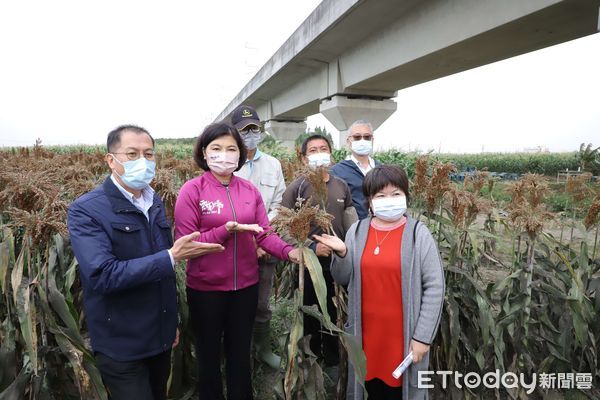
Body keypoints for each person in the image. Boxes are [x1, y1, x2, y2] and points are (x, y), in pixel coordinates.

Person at [67, 125, 224, 400]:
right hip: (121, 343)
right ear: (110, 160)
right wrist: (171, 257)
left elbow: (162, 274)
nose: (143, 161)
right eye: (132, 153)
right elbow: (103, 275)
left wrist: (170, 321)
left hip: (159, 337)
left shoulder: (154, 201)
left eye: (149, 154)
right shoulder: (86, 210)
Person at [173, 121, 301, 400]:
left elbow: (264, 235)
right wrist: (225, 231)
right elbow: (186, 244)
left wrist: (291, 253)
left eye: (231, 149)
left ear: (240, 155)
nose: (224, 154)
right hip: (206, 289)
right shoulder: (192, 191)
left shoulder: (249, 191)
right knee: (208, 353)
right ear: (204, 153)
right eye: (216, 148)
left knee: (239, 353)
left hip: (245, 287)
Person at [313, 164, 445, 400]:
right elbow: (342, 278)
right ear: (370, 201)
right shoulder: (358, 231)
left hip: (403, 336)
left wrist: (422, 337)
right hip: (366, 335)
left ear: (406, 196)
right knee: (368, 387)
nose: (389, 200)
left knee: (399, 390)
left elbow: (434, 288)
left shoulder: (418, 234)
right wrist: (342, 253)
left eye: (396, 194)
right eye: (380, 195)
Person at [281, 134, 357, 368]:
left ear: (331, 154)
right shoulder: (297, 188)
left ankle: (334, 361)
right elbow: (283, 229)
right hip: (310, 266)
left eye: (323, 148)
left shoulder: (340, 185)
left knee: (336, 313)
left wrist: (349, 250)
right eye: (312, 150)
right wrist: (313, 247)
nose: (319, 153)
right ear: (304, 159)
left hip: (338, 265)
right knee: (312, 315)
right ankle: (312, 360)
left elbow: (351, 222)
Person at [231, 105, 286, 369]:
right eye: (244, 130)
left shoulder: (273, 164)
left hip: (266, 246)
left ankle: (262, 349)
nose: (250, 134)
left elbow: (278, 204)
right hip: (233, 248)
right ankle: (236, 350)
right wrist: (247, 239)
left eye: (254, 128)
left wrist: (261, 237)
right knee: (233, 304)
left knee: (262, 303)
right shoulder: (227, 164)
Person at [330, 120, 380, 219]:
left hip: (382, 226)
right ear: (349, 141)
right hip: (355, 229)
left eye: (367, 137)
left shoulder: (381, 169)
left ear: (372, 140)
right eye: (357, 137)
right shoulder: (337, 171)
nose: (362, 140)